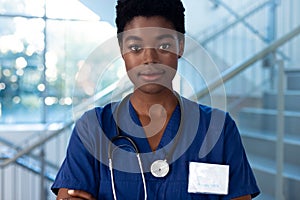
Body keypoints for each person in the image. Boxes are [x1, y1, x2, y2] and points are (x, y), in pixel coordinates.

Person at [51, 0, 260, 199]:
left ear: (180, 46)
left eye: (164, 46)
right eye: (135, 48)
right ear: (122, 49)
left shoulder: (218, 128)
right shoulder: (93, 128)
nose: (149, 58)